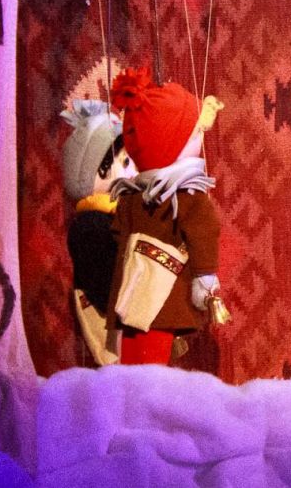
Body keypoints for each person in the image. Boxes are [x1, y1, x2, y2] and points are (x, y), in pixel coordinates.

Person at [106, 67, 225, 365]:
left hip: (130, 294)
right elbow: (204, 233)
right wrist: (205, 279)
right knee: (151, 364)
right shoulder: (187, 196)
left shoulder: (131, 195)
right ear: (174, 141)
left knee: (135, 355)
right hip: (165, 296)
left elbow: (118, 237)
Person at [60, 99, 137, 365]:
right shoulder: (90, 225)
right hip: (112, 319)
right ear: (96, 170)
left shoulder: (120, 217)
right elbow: (105, 288)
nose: (134, 171)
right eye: (125, 162)